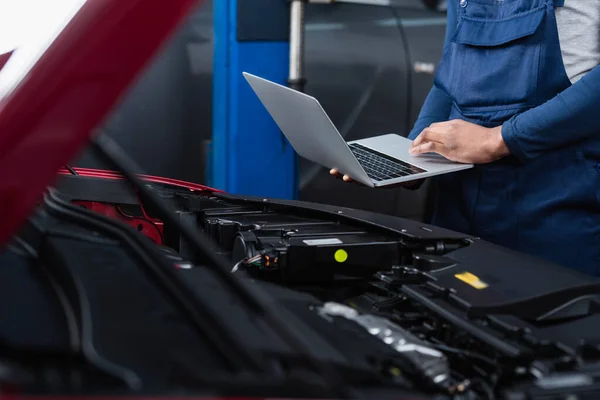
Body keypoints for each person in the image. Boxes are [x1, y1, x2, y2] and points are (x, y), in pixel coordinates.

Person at [332, 0, 600, 275]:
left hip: (554, 207)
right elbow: (451, 73)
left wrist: (499, 139)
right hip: (457, 207)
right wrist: (413, 155)